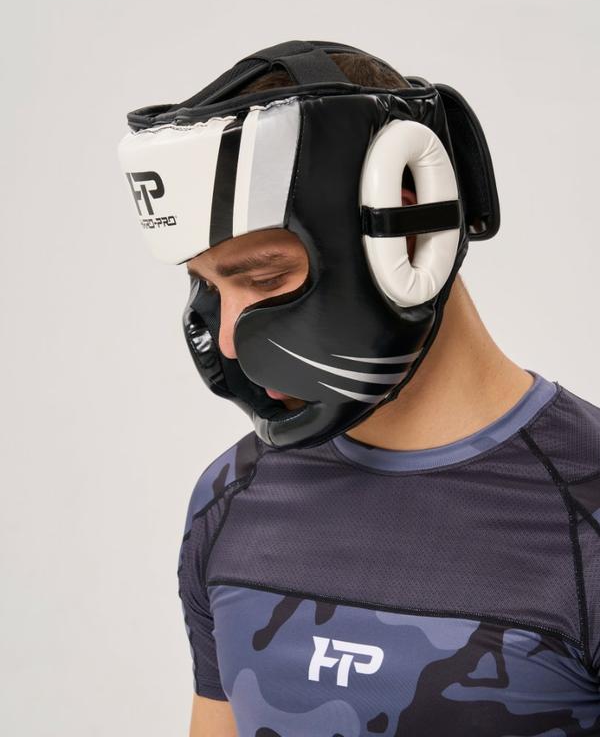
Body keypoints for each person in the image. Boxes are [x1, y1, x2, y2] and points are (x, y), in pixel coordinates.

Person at [125, 49, 600, 735]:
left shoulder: (584, 513)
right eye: (206, 285)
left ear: (409, 230)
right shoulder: (231, 498)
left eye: (263, 279)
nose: (227, 340)